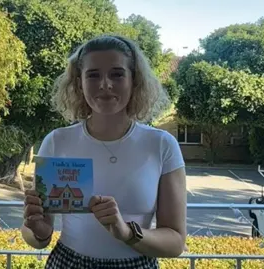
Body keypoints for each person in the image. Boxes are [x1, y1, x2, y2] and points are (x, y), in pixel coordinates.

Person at [21, 34, 187, 269]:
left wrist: (127, 232)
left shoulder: (162, 145)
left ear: (134, 80)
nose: (105, 84)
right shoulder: (57, 142)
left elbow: (176, 242)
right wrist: (37, 231)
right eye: (93, 75)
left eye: (117, 74)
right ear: (79, 83)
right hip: (67, 263)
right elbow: (37, 235)